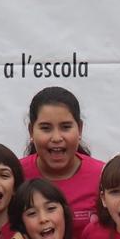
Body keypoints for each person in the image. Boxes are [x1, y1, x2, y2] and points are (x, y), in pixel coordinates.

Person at [19, 87, 105, 229]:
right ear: (31, 131)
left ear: (80, 129)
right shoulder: (14, 175)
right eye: (46, 128)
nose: (57, 138)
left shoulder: (104, 176)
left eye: (65, 127)